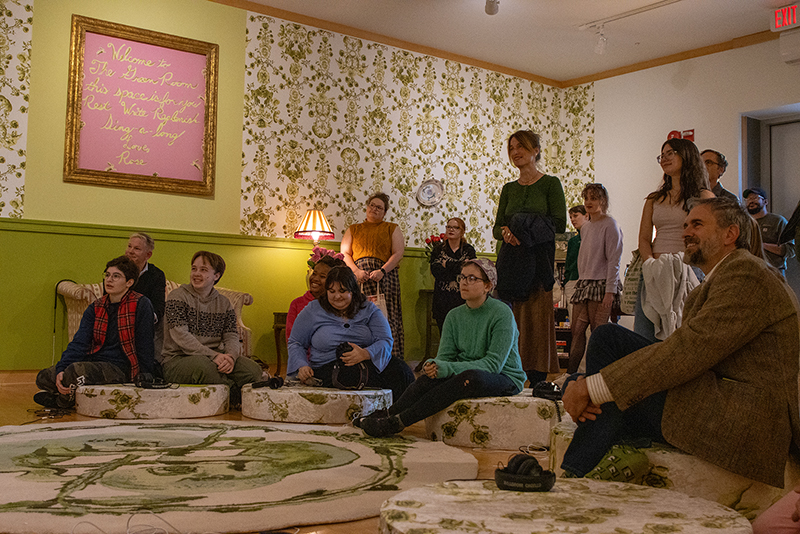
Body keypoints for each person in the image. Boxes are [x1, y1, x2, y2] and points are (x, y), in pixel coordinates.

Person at [560, 198, 800, 489]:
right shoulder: (719, 280)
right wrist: (587, 384)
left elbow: (688, 352)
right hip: (716, 397)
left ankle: (573, 474)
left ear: (730, 234)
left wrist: (592, 386)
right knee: (585, 378)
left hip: (744, 420)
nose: (686, 232)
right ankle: (585, 467)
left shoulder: (747, 274)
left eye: (697, 224)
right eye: (685, 225)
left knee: (608, 341)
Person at [358, 258, 526, 438]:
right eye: (462, 277)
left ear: (488, 286)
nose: (463, 282)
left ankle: (400, 422)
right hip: (464, 372)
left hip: (504, 377)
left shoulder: (502, 313)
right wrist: (433, 365)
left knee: (469, 378)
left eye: (471, 278)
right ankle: (387, 414)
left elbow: (493, 365)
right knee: (426, 380)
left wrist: (447, 368)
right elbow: (445, 357)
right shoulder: (454, 315)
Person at [493, 129, 567, 386]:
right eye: (511, 147)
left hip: (538, 262)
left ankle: (537, 377)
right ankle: (512, 371)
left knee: (536, 319)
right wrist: (507, 232)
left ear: (535, 149)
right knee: (511, 319)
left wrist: (524, 231)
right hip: (511, 262)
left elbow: (558, 223)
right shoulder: (509, 189)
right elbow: (496, 227)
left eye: (521, 146)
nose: (515, 152)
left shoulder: (550, 184)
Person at [34, 256, 155, 408]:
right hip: (95, 360)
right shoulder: (96, 306)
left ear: (129, 282)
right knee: (44, 377)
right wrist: (61, 369)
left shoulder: (141, 304)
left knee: (74, 372)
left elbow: (145, 343)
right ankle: (67, 393)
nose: (109, 280)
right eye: (107, 275)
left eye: (116, 276)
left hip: (122, 367)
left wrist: (145, 374)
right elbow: (80, 342)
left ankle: (62, 402)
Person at [287, 265, 414, 400]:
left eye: (342, 291)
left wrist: (365, 353)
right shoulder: (313, 309)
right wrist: (302, 365)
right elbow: (296, 342)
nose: (337, 296)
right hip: (328, 367)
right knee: (350, 375)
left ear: (353, 291)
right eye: (332, 291)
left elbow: (385, 340)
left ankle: (396, 416)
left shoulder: (368, 308)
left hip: (365, 363)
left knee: (401, 372)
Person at [635, 138, 715, 342]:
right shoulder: (654, 198)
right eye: (662, 155)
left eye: (670, 153)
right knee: (645, 336)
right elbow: (644, 238)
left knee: (684, 335)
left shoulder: (704, 196)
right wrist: (650, 263)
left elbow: (712, 235)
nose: (664, 158)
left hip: (689, 271)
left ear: (686, 155)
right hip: (654, 270)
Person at [161, 251, 262, 401]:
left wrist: (230, 357)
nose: (196, 274)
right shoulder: (177, 297)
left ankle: (235, 394)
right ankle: (235, 396)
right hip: (178, 359)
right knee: (204, 367)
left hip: (216, 356)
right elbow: (181, 336)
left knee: (253, 370)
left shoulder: (224, 303)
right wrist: (213, 356)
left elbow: (231, 336)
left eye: (203, 270)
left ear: (216, 276)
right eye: (194, 269)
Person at [341, 193, 406, 360]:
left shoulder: (392, 228)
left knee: (386, 317)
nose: (374, 209)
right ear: (367, 207)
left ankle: (390, 356)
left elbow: (398, 253)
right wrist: (356, 271)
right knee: (358, 314)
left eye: (379, 207)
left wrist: (382, 271)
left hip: (385, 278)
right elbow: (345, 253)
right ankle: (359, 354)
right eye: (372, 205)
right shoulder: (354, 229)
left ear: (384, 212)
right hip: (359, 278)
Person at [568, 184, 623, 374]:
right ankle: (571, 374)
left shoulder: (610, 225)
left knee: (597, 333)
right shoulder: (586, 227)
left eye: (594, 198)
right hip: (584, 283)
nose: (589, 202)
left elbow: (613, 259)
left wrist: (610, 291)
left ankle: (596, 376)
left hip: (601, 284)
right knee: (576, 331)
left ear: (603, 201)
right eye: (586, 198)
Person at [429, 217, 477, 332]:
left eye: (455, 227)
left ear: (462, 231)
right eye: (449, 227)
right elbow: (437, 272)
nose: (451, 230)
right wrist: (459, 267)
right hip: (442, 300)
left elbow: (470, 271)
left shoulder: (468, 250)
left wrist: (448, 265)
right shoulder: (438, 250)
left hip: (462, 300)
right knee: (445, 336)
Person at [125, 232, 167, 360]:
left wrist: (146, 320)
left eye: (136, 249)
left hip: (146, 322)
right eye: (129, 246)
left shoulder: (157, 275)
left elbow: (159, 306)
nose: (130, 251)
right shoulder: (117, 270)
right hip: (121, 318)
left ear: (148, 255)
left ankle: (151, 367)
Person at [286, 254, 346, 341]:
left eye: (322, 276)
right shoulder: (297, 304)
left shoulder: (339, 304)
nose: (315, 278)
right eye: (314, 274)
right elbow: (292, 339)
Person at [745, 187, 792, 277]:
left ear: (765, 202)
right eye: (748, 199)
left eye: (755, 198)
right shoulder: (744, 223)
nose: (751, 201)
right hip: (750, 272)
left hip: (774, 272)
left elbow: (790, 250)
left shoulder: (778, 221)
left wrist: (762, 245)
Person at [563, 205, 588, 323]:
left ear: (586, 216)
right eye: (571, 217)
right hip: (572, 282)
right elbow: (568, 264)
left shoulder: (593, 238)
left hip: (589, 282)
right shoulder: (573, 241)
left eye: (576, 216)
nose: (572, 219)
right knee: (575, 322)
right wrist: (567, 281)